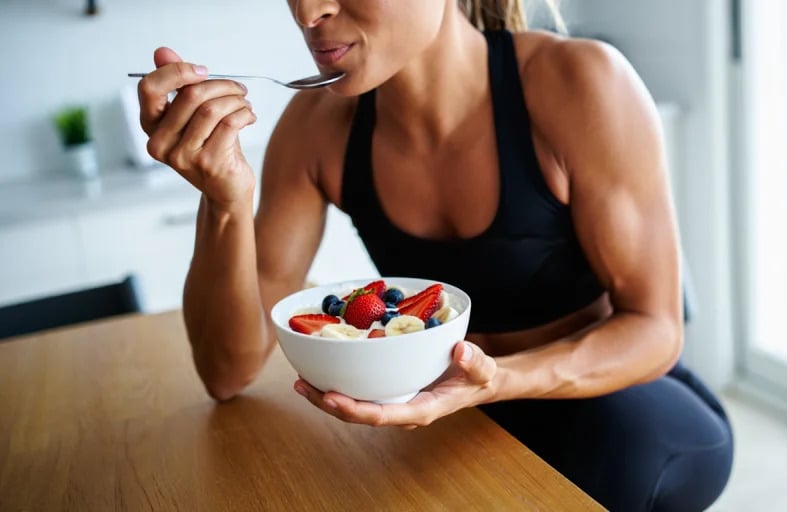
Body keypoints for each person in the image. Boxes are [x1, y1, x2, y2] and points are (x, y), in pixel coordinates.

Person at [137, 0, 734, 509]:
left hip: (613, 398)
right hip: (452, 414)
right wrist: (224, 204)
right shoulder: (317, 126)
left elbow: (656, 330)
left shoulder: (582, 82)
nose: (307, 12)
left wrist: (493, 382)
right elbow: (228, 371)